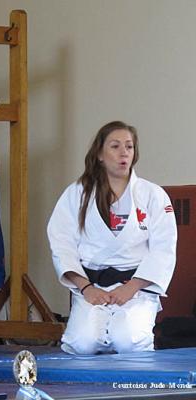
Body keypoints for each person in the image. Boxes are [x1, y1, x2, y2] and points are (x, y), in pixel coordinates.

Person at [47, 121, 177, 354]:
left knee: (128, 341)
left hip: (136, 288)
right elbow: (62, 243)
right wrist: (86, 287)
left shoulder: (152, 194)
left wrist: (132, 287)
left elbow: (164, 248)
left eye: (129, 146)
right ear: (99, 154)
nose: (124, 152)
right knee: (82, 344)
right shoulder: (78, 193)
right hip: (92, 286)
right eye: (115, 146)